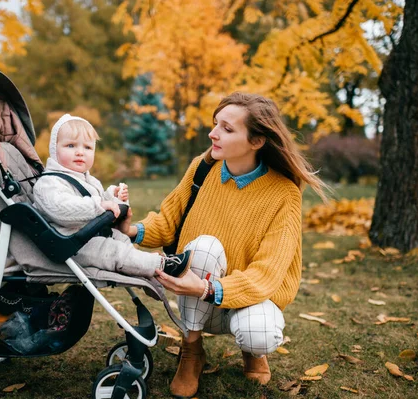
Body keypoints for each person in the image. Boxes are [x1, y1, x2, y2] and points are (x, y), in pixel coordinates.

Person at [118, 93, 328, 397]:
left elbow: (268, 275)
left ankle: (252, 351)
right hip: (201, 302)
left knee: (261, 334)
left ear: (256, 141)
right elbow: (167, 222)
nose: (213, 133)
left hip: (245, 299)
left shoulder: (285, 194)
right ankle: (192, 351)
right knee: (202, 248)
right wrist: (130, 229)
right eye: (216, 124)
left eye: (227, 129)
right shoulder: (202, 168)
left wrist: (207, 289)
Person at [33, 114, 193, 279]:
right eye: (71, 145)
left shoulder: (89, 180)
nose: (80, 152)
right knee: (114, 251)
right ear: (54, 148)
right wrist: (100, 206)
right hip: (69, 244)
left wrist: (114, 199)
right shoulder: (49, 183)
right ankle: (162, 266)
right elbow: (60, 209)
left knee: (120, 239)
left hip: (90, 236)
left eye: (87, 148)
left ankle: (147, 271)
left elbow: (99, 202)